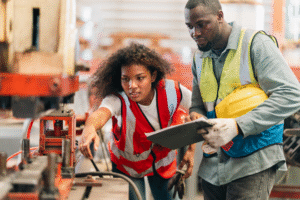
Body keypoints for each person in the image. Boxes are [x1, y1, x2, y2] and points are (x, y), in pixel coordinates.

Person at [184, 0, 300, 199]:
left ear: (220, 16)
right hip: (214, 164)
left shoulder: (255, 44)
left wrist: (238, 126)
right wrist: (196, 116)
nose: (196, 33)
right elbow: (198, 104)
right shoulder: (199, 58)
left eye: (202, 24)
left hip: (254, 158)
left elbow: (291, 94)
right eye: (190, 27)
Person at [79, 43, 194, 200]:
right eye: (125, 79)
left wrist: (190, 151)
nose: (132, 86)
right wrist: (90, 127)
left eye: (140, 78)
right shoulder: (118, 98)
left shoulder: (172, 92)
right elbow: (101, 113)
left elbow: (198, 111)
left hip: (163, 164)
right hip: (128, 168)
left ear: (153, 76)